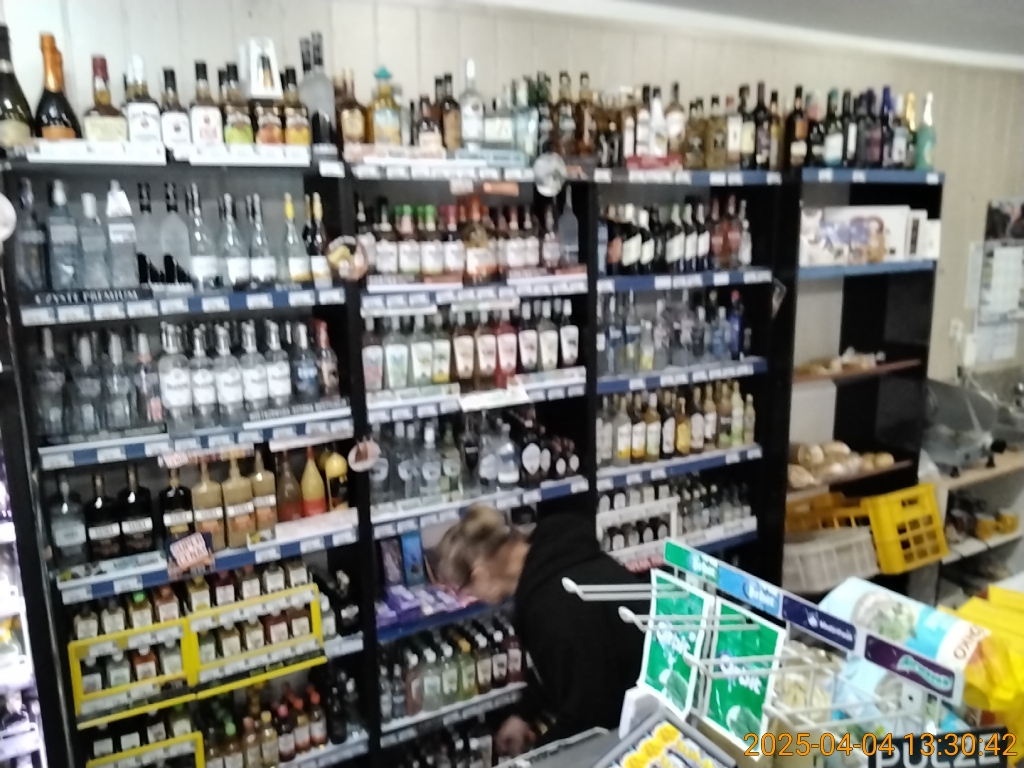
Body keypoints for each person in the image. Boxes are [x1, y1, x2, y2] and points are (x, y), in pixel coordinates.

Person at [436, 503, 645, 754]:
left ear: (480, 575)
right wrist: (525, 713)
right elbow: (567, 668)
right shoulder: (551, 558)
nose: (469, 599)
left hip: (645, 724)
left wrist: (536, 757)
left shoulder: (553, 607)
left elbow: (589, 718)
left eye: (464, 591)